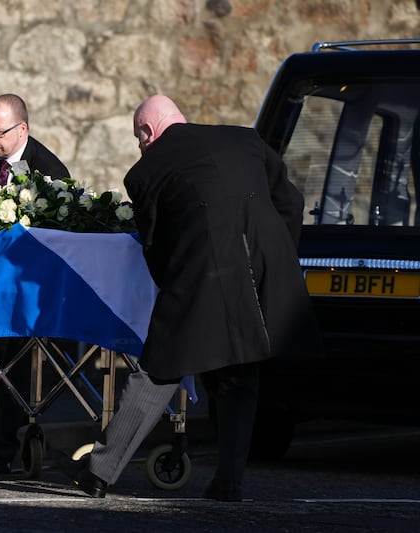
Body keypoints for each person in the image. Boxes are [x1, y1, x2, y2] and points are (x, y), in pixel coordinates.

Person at [56, 95, 322, 500]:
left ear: (148, 132)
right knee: (240, 373)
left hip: (201, 276)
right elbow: (292, 201)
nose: (140, 147)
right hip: (263, 271)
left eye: (138, 138)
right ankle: (229, 483)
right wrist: (279, 256)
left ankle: (98, 473)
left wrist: (175, 286)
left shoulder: (145, 173)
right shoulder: (245, 140)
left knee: (160, 369)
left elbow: (155, 245)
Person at [0, 93, 71, 474]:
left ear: (21, 129)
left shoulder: (49, 171)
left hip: (28, 289)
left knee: (12, 361)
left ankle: (1, 449)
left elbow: (59, 235)